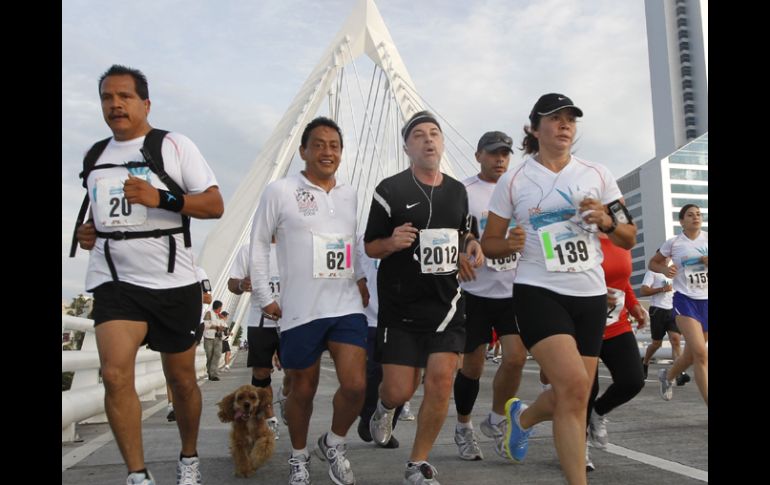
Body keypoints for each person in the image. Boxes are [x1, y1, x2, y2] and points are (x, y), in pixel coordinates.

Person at [74, 64, 223, 485]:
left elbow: (213, 205)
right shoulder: (95, 156)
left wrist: (162, 197)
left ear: (145, 103)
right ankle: (137, 474)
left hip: (174, 283)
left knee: (180, 381)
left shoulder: (173, 146)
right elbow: (104, 216)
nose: (115, 105)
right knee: (114, 374)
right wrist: (89, 233)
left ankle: (188, 457)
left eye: (124, 96)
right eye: (107, 97)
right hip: (115, 280)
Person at [482, 93, 636, 485]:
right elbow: (490, 242)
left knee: (577, 395)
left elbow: (628, 237)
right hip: (538, 290)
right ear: (534, 129)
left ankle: (525, 417)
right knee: (574, 385)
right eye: (554, 118)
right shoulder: (515, 179)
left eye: (570, 119)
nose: (565, 125)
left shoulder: (598, 174)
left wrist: (605, 221)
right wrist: (509, 243)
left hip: (589, 295)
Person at [364, 110, 483, 485]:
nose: (428, 140)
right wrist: (390, 242)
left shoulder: (457, 191)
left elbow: (467, 232)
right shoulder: (389, 190)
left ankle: (418, 463)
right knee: (400, 389)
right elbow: (370, 246)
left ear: (442, 143)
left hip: (447, 306)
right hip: (401, 308)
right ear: (407, 147)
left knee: (441, 380)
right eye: (418, 135)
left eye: (434, 133)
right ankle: (385, 407)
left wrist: (472, 247)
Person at [249, 116, 367, 485]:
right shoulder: (280, 191)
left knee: (356, 385)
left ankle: (333, 442)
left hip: (345, 302)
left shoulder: (349, 194)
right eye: (318, 144)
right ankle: (298, 456)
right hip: (301, 308)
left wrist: (362, 277)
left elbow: (355, 242)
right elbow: (257, 245)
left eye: (334, 145)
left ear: (341, 153)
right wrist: (265, 296)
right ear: (303, 151)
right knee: (302, 388)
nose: (326, 151)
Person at [452, 131, 528, 461]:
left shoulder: (519, 189)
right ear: (478, 155)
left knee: (516, 357)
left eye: (505, 154)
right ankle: (463, 426)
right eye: (494, 153)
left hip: (511, 290)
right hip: (474, 291)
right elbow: (449, 230)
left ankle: (496, 419)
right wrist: (458, 255)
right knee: (472, 366)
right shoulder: (464, 192)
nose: (500, 159)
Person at [584, 233, 648, 471]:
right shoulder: (579, 235)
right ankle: (579, 447)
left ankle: (598, 412)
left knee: (633, 380)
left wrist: (634, 306)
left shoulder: (623, 239)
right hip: (582, 324)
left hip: (616, 324)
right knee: (587, 390)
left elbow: (622, 280)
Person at [650, 204, 708, 405]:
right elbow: (653, 263)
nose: (696, 217)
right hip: (685, 300)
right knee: (701, 354)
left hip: (706, 301)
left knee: (691, 356)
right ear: (682, 221)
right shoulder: (674, 243)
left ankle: (667, 376)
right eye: (690, 215)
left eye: (698, 214)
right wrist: (665, 271)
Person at [354, 234, 405, 449]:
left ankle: (386, 425)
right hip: (370, 318)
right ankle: (367, 418)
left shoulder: (408, 235)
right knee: (373, 374)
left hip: (401, 318)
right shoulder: (361, 239)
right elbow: (352, 266)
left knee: (403, 380)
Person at [228, 242, 283, 437]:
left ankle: (285, 395)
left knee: (296, 373)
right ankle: (269, 418)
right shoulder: (248, 249)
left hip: (291, 318)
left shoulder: (296, 242)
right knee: (260, 373)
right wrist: (242, 284)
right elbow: (232, 283)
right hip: (260, 320)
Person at [168, 266, 213, 423]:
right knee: (170, 366)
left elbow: (208, 298)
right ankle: (172, 406)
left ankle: (184, 402)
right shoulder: (163, 268)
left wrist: (181, 296)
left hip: (194, 322)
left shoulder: (199, 272)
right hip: (170, 322)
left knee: (185, 367)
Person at [640, 263, 683, 380]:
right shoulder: (652, 272)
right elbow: (643, 291)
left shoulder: (674, 271)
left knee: (676, 340)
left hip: (673, 310)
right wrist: (662, 289)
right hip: (658, 310)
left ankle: (679, 373)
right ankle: (645, 362)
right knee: (656, 344)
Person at [202, 300, 227, 381]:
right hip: (209, 338)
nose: (221, 309)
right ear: (218, 307)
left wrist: (223, 321)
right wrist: (216, 327)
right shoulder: (208, 313)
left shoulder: (220, 316)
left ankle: (214, 374)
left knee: (217, 355)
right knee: (209, 356)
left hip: (218, 338)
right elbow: (206, 325)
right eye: (220, 307)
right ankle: (210, 372)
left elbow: (223, 325)